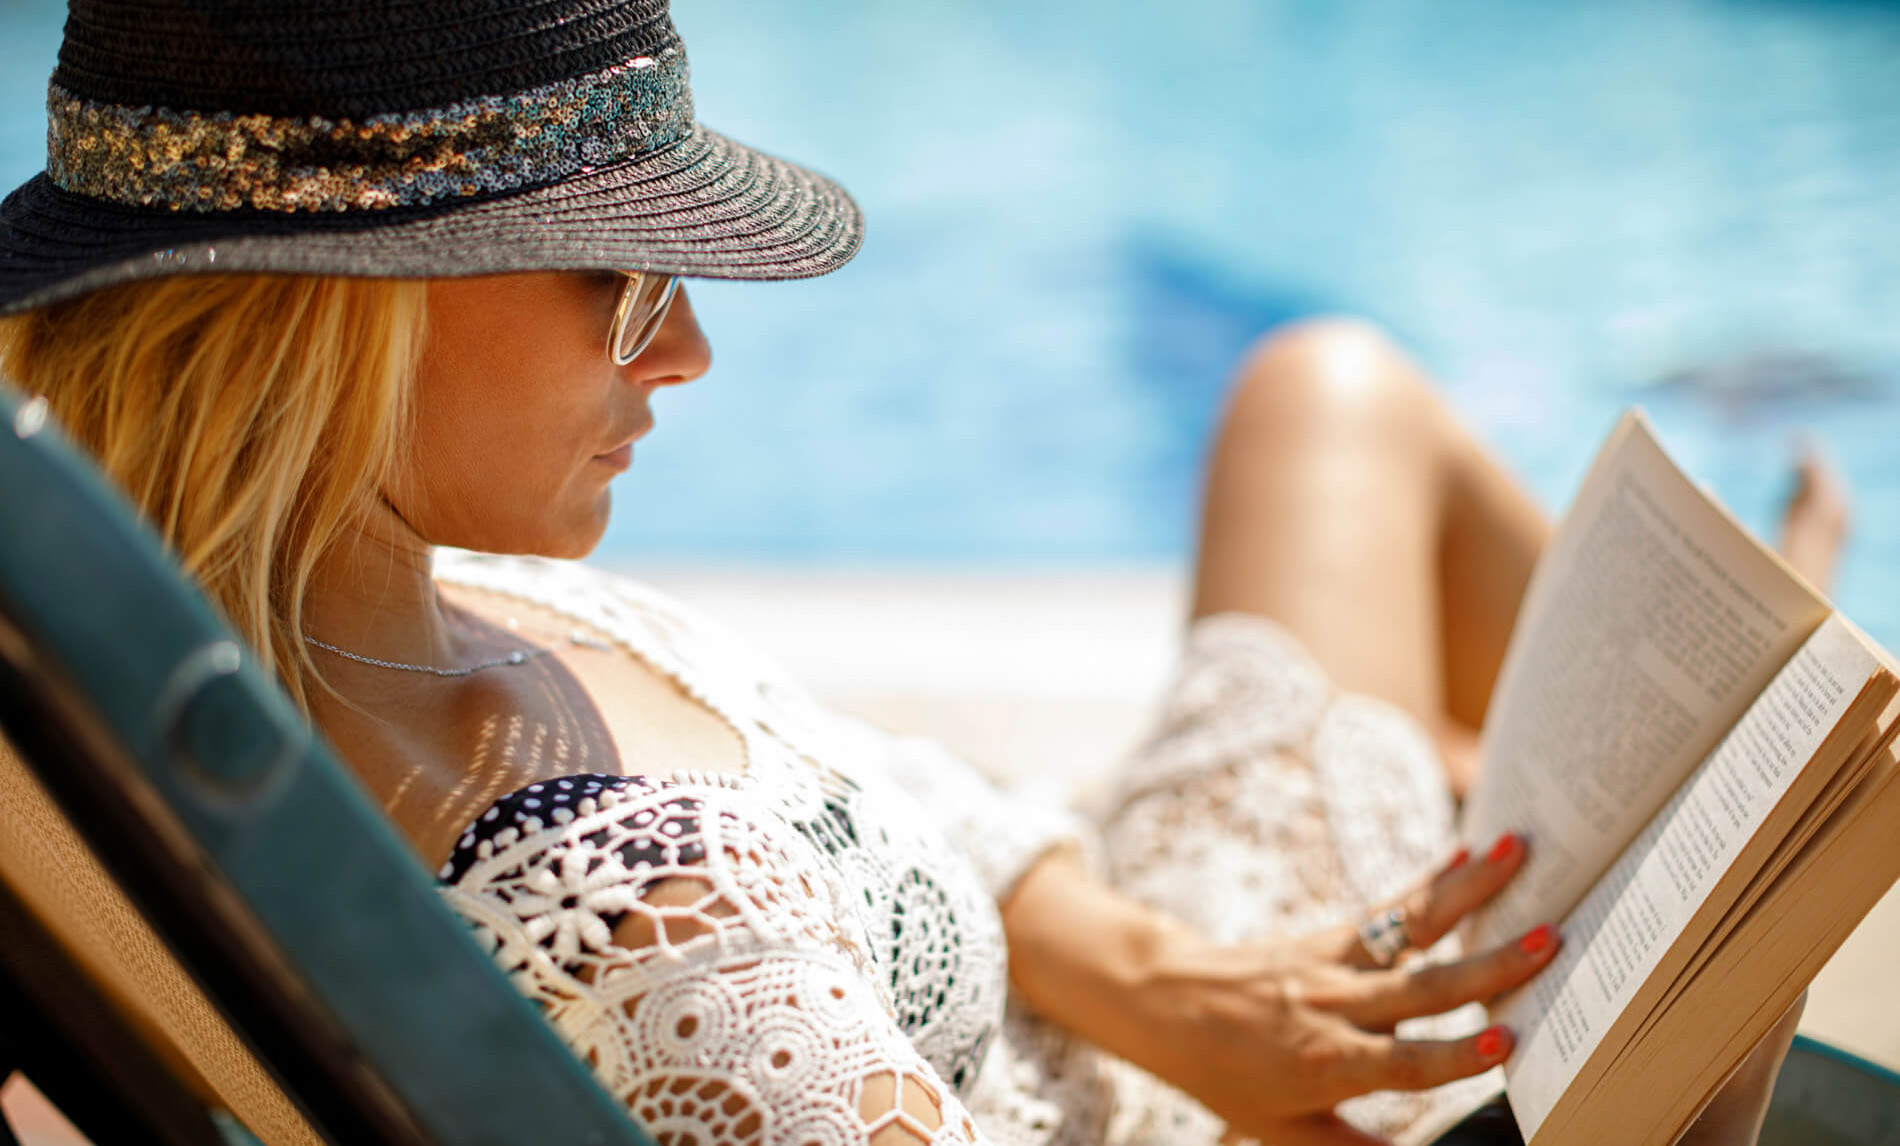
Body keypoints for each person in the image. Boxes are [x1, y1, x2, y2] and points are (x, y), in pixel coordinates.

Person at [0, 1, 1843, 1143]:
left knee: (1324, 393)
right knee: (1774, 799)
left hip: (1162, 1002)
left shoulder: (277, 633)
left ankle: (1632, 713)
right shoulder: (669, 931)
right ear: (344, 319)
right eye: (626, 285)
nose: (688, 357)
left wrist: (1154, 977)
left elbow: (875, 791)